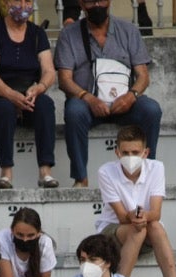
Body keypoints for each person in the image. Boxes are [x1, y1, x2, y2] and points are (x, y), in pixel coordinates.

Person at [56, 0, 160, 186]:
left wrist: (131, 96)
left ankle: (147, 173)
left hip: (125, 103)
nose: (97, 5)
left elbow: (143, 76)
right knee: (74, 110)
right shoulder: (69, 35)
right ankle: (81, 178)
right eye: (90, 2)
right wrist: (87, 98)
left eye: (101, 0)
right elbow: (64, 80)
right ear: (81, 4)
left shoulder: (129, 30)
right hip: (87, 104)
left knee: (151, 109)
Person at [96, 128, 176, 277]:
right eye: (125, 153)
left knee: (154, 226)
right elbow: (121, 216)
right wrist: (135, 216)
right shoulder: (106, 172)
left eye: (135, 152)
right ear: (117, 152)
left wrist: (142, 216)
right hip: (112, 231)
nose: (130, 157)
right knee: (138, 229)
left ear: (145, 153)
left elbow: (156, 213)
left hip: (146, 227)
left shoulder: (156, 168)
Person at [0, 2, 59, 190]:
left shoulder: (37, 34)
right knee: (4, 108)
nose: (22, 5)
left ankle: (45, 172)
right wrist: (11, 95)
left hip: (26, 99)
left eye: (27, 1)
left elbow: (49, 71)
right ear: (7, 3)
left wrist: (39, 88)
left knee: (45, 104)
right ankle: (6, 173)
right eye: (17, 0)